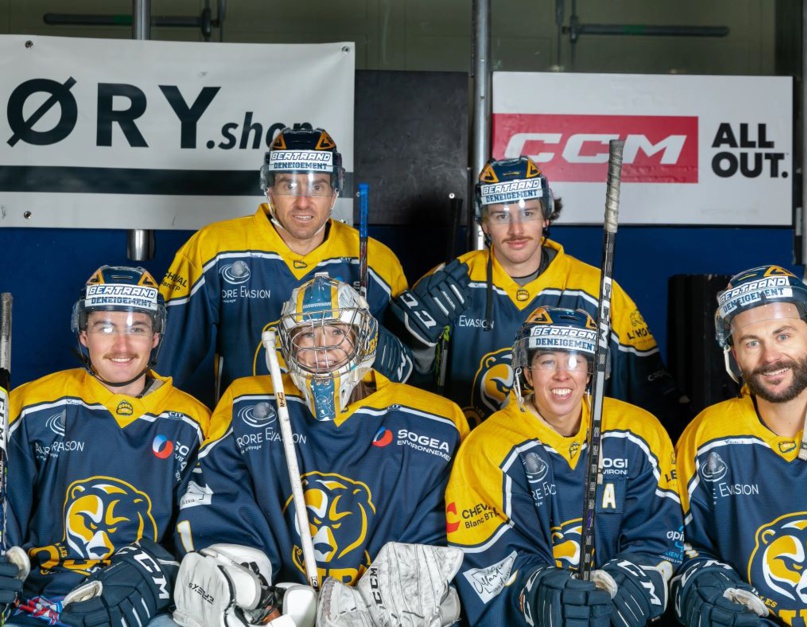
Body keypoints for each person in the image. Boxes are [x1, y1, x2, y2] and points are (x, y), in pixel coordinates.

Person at [171, 275, 469, 626]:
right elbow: (217, 499)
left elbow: (440, 530)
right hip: (283, 603)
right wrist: (255, 597)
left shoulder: (436, 421)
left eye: (337, 333)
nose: (322, 348)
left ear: (364, 339)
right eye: (306, 336)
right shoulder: (246, 403)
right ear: (286, 346)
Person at [390, 155, 683, 437]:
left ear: (546, 215)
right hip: (471, 460)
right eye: (501, 216)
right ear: (484, 224)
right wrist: (419, 352)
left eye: (528, 213)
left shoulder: (597, 291)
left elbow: (652, 397)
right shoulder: (448, 282)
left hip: (568, 468)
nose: (516, 229)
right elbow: (399, 389)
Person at [0, 266, 212, 626]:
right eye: (105, 327)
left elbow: (203, 542)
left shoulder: (193, 422)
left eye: (137, 329)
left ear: (157, 336)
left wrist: (159, 577)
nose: (122, 346)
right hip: (40, 601)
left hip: (146, 606)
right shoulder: (31, 405)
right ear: (84, 333)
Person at [445, 306, 682, 626]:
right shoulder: (487, 446)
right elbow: (483, 562)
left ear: (591, 370)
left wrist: (632, 583)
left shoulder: (639, 432)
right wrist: (538, 592)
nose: (562, 374)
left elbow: (660, 537)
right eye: (547, 361)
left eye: (575, 361)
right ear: (527, 371)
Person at [158, 123, 413, 407]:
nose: (303, 202)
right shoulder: (213, 248)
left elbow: (404, 376)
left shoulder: (377, 261)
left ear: (335, 190)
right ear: (268, 187)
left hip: (344, 439)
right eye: (289, 186)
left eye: (317, 186)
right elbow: (165, 362)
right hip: (248, 432)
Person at [671, 264, 807, 625]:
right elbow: (674, 547)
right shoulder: (707, 435)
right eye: (751, 343)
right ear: (733, 355)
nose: (770, 357)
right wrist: (709, 590)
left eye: (783, 335)